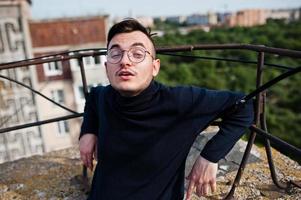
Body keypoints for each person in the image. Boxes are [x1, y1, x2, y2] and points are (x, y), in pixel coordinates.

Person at [79, 19, 254, 200]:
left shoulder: (180, 102)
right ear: (107, 68)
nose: (124, 61)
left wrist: (210, 156)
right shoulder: (104, 96)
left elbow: (244, 105)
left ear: (155, 67)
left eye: (137, 54)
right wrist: (88, 131)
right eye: (115, 54)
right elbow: (93, 96)